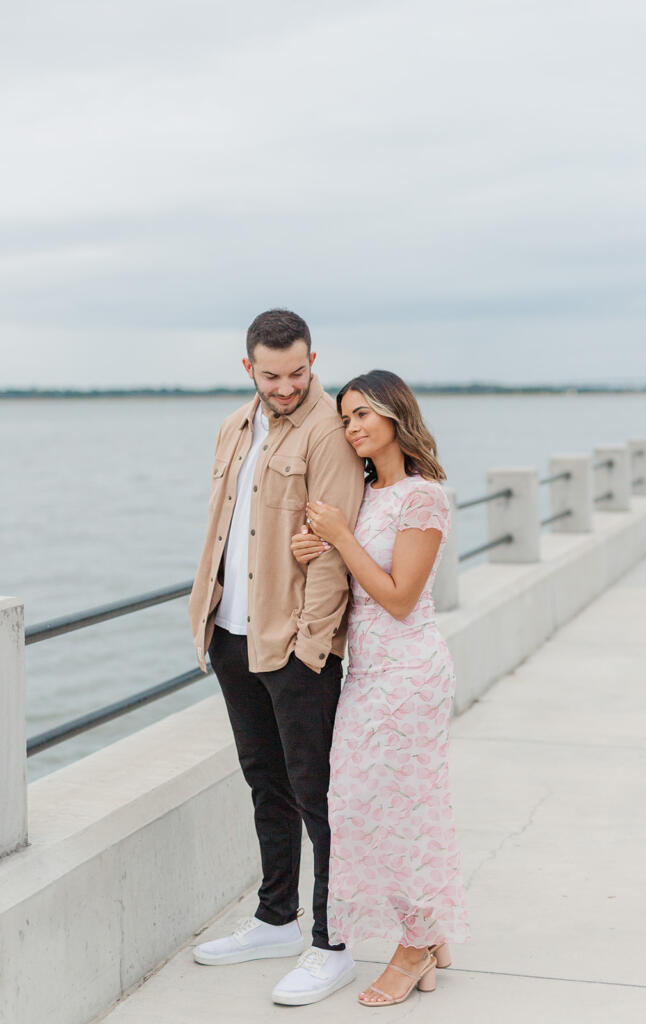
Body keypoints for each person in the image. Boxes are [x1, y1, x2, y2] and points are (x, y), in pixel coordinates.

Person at [188, 310, 365, 1006]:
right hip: (231, 631)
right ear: (248, 368)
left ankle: (333, 942)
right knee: (265, 781)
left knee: (320, 795)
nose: (286, 386)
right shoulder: (235, 425)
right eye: (272, 375)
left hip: (294, 643)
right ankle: (273, 919)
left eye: (298, 372)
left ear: (312, 360)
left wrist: (310, 645)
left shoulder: (328, 432)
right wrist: (207, 611)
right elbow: (221, 524)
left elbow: (331, 548)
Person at [291, 369, 469, 1007]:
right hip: (365, 672)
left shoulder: (423, 497)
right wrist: (317, 544)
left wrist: (340, 536)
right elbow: (354, 568)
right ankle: (428, 929)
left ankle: (414, 946)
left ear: (397, 414)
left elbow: (397, 597)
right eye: (345, 418)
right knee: (364, 807)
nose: (352, 427)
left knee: (402, 811)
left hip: (409, 672)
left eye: (363, 414)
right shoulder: (366, 495)